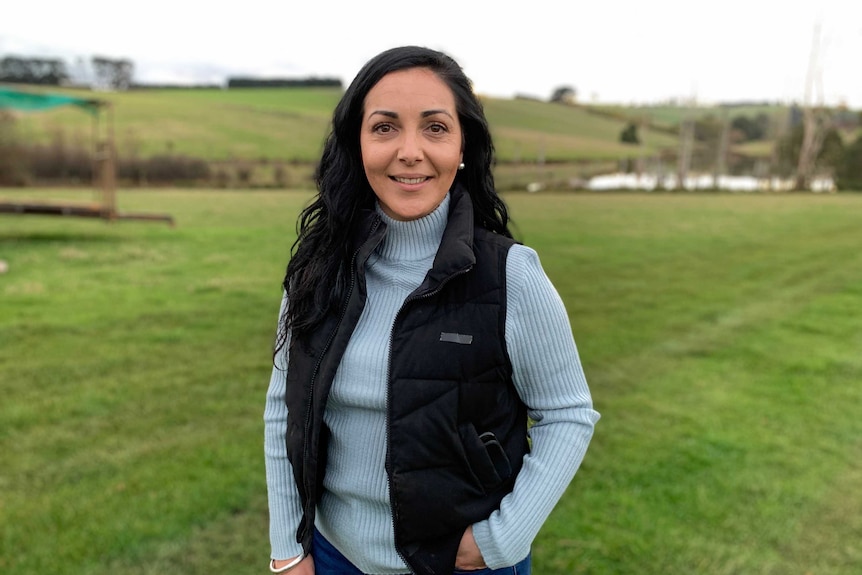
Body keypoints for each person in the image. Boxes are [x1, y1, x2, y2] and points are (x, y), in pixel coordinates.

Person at [264, 45, 599, 575]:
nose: (410, 151)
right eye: (384, 127)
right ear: (358, 143)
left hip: (461, 564)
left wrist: (499, 540)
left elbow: (568, 414)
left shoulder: (510, 275)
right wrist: (288, 550)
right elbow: (285, 408)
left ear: (463, 145)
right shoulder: (316, 269)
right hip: (332, 559)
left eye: (435, 128)